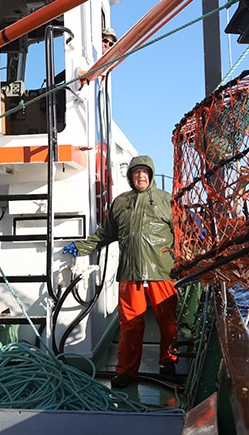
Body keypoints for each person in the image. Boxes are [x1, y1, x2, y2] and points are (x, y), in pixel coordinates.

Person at [63, 155, 177, 388]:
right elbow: (105, 235)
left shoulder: (168, 201)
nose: (140, 176)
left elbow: (184, 234)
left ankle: (169, 362)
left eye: (144, 172)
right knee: (130, 325)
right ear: (130, 176)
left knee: (167, 322)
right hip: (129, 272)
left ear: (152, 174)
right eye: (136, 173)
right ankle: (126, 371)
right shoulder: (120, 203)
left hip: (162, 272)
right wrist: (81, 246)